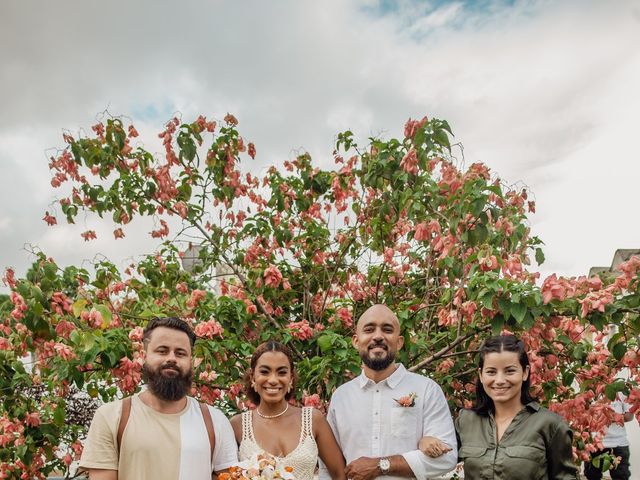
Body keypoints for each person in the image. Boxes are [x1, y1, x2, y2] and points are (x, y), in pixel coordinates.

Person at [79, 317, 238, 479]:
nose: (171, 358)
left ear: (190, 361)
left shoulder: (215, 421)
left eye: (180, 353)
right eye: (162, 351)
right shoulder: (111, 417)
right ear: (144, 355)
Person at [319, 304, 458, 480]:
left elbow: (447, 458)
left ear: (399, 342)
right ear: (356, 341)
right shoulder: (341, 397)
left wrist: (381, 466)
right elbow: (327, 466)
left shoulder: (427, 390)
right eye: (369, 329)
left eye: (387, 329)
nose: (378, 336)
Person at [440, 334, 577, 480]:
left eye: (510, 371)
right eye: (491, 372)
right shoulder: (466, 421)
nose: (499, 380)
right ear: (480, 375)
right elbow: (439, 459)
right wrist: (427, 442)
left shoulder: (551, 425)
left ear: (525, 372)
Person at [230, 340, 346, 480]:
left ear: (290, 379)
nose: (273, 380)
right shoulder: (237, 425)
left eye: (281, 372)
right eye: (265, 372)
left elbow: (340, 475)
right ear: (253, 378)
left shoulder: (313, 420)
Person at [584, 393, 634, 480]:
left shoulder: (623, 390)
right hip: (594, 444)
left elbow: (629, 416)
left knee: (621, 476)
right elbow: (583, 412)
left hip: (619, 443)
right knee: (591, 475)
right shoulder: (589, 390)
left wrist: (609, 416)